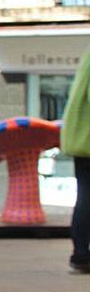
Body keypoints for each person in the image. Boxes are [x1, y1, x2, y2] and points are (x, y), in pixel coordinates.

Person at [61, 50, 90, 273]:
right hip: (87, 139)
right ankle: (81, 254)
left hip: (81, 140)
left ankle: (80, 254)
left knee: (85, 198)